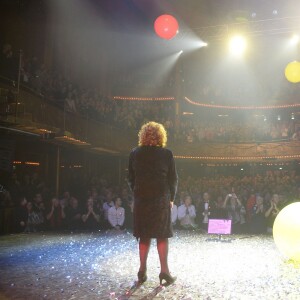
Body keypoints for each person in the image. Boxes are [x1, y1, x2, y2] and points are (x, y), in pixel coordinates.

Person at [128, 121, 178, 286]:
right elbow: (173, 179)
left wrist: (136, 192)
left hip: (142, 199)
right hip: (160, 199)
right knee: (162, 235)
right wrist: (171, 199)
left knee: (144, 235)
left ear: (143, 136)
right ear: (160, 136)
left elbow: (130, 178)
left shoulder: (135, 153)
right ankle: (164, 271)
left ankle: (142, 270)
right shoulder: (166, 154)